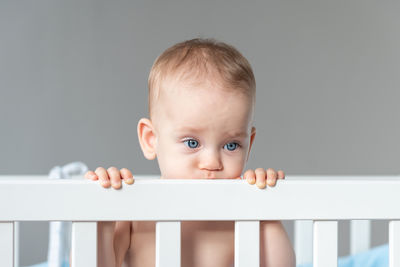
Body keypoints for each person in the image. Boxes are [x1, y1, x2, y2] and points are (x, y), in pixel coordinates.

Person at [84, 38, 295, 267]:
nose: (212, 163)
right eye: (192, 143)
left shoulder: (245, 217)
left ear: (249, 145)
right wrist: (102, 219)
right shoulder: (132, 214)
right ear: (150, 139)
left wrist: (267, 210)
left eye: (231, 145)